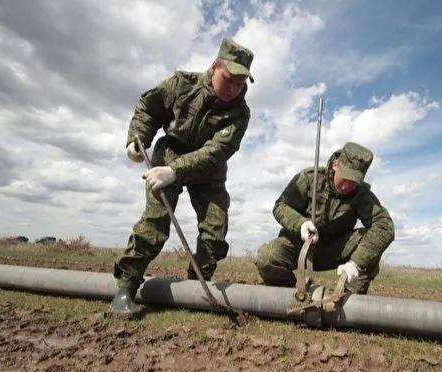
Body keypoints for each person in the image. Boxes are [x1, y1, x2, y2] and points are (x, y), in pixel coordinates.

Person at [111, 37, 255, 317]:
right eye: (229, 79)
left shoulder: (240, 113)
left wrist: (176, 172)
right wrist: (136, 139)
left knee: (215, 228)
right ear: (215, 66)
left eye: (241, 83)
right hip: (169, 154)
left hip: (207, 170)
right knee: (155, 223)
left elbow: (216, 152)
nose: (235, 88)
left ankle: (196, 290)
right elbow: (148, 108)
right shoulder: (181, 84)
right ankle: (126, 288)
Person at [254, 142, 395, 294]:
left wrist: (356, 263)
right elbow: (280, 206)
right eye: (346, 177)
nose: (347, 186)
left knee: (370, 247)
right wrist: (301, 224)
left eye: (354, 182)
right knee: (267, 257)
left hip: (334, 250)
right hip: (301, 246)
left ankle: (349, 304)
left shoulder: (361, 194)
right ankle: (288, 297)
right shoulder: (309, 179)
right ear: (335, 165)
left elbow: (384, 226)